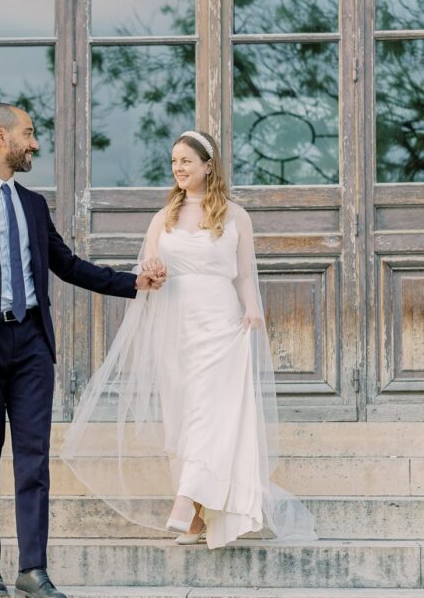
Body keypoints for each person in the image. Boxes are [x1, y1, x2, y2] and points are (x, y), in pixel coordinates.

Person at [0, 103, 165, 598]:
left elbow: (67, 265)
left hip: (30, 343)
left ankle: (33, 568)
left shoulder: (33, 205)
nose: (35, 144)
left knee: (34, 459)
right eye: (28, 134)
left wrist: (134, 283)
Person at [61, 129, 317, 549]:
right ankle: (198, 518)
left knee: (209, 412)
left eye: (187, 161)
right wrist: (153, 270)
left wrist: (253, 308)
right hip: (175, 322)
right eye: (175, 161)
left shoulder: (235, 215)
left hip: (220, 322)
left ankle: (184, 499)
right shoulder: (163, 217)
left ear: (208, 166)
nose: (179, 168)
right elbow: (149, 264)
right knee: (182, 414)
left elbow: (244, 271)